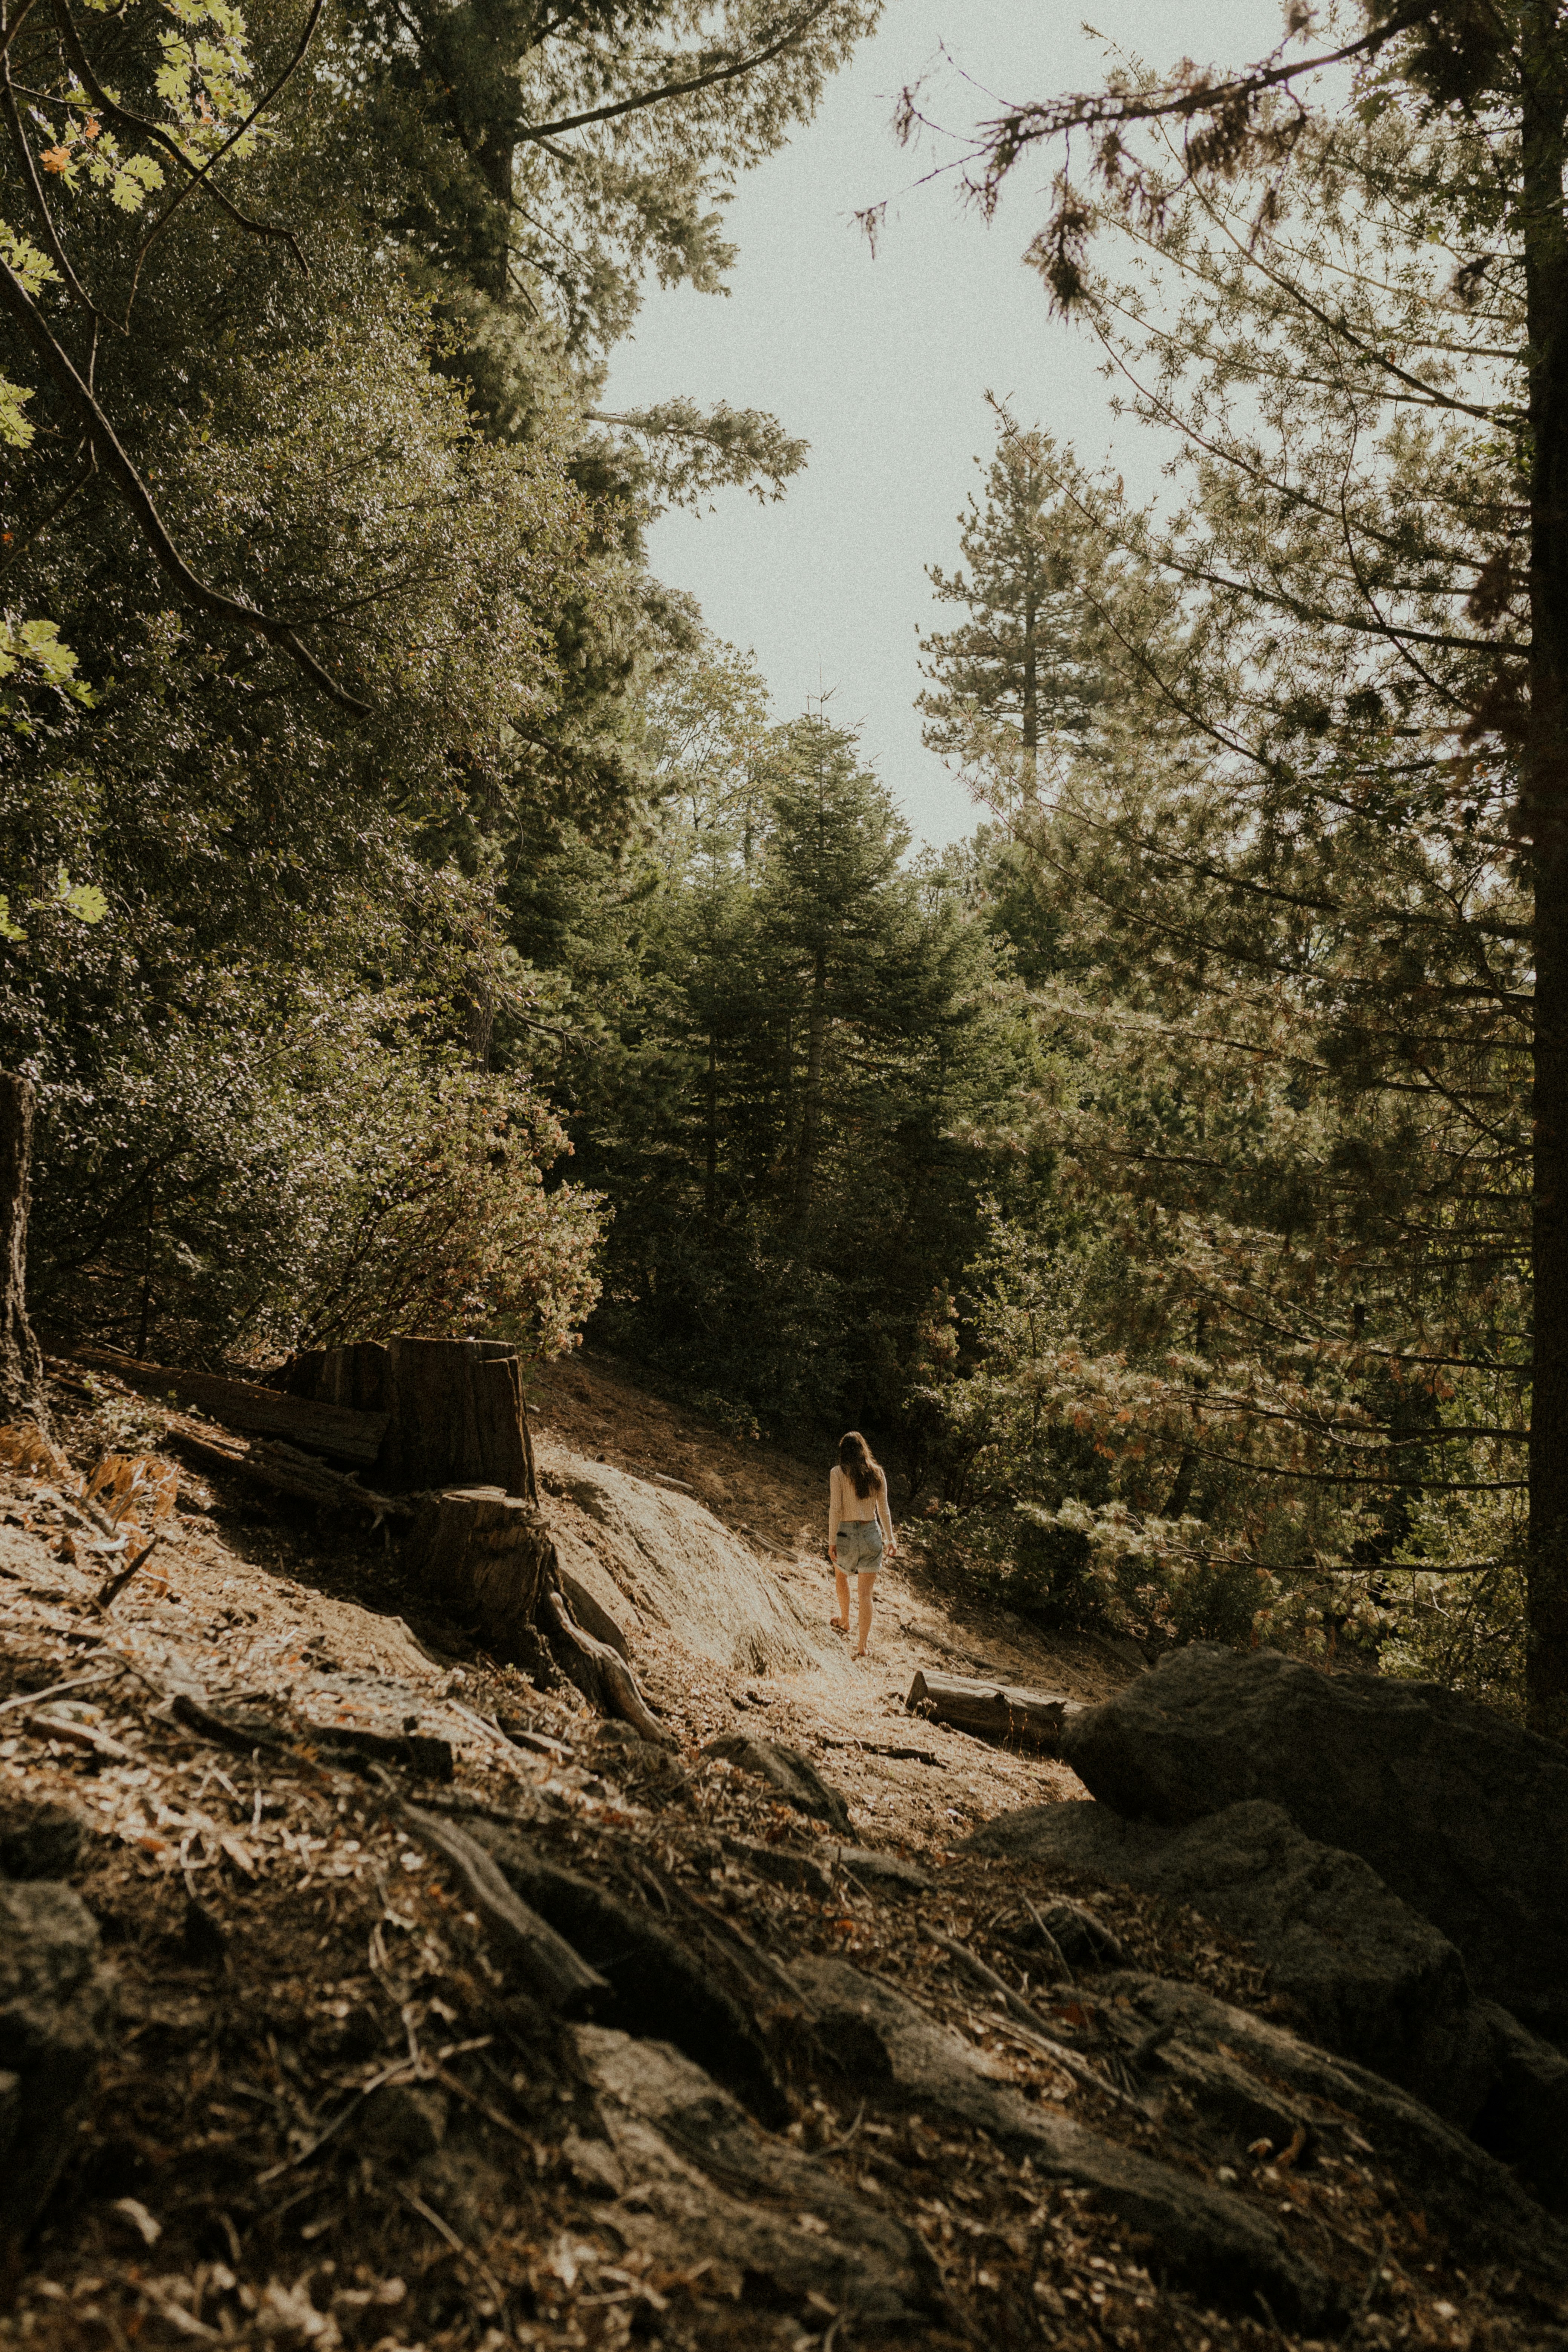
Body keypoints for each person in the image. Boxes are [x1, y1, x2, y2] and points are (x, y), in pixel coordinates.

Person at [828, 1430, 896, 1659]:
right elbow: (884, 1510)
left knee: (841, 1576)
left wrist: (831, 1541)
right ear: (864, 1449)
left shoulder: (837, 1473)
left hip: (846, 1534)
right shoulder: (877, 1473)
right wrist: (890, 1539)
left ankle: (845, 1620)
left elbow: (836, 1509)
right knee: (866, 1594)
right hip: (871, 1534)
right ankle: (863, 1646)